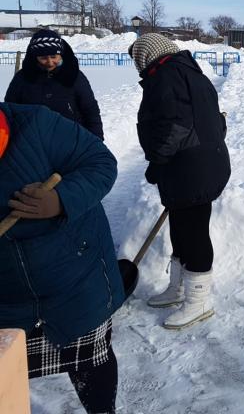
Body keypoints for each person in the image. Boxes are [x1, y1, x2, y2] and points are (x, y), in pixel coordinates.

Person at [0, 101, 125, 414]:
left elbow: (101, 162)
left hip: (75, 282)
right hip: (7, 300)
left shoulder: (38, 125)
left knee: (92, 366)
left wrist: (60, 199)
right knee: (7, 381)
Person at [129, 33, 230, 330]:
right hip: (197, 162)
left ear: (148, 56)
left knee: (194, 232)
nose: (138, 68)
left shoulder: (167, 76)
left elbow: (172, 127)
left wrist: (157, 162)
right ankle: (179, 288)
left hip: (191, 167)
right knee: (181, 229)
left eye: (138, 61)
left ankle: (198, 301)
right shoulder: (190, 72)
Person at [5, 29, 104, 139]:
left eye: (53, 57)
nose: (50, 62)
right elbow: (9, 112)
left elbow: (90, 111)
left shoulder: (74, 76)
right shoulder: (22, 78)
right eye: (43, 58)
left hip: (72, 141)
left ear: (61, 54)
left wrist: (97, 141)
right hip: (32, 143)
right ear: (35, 58)